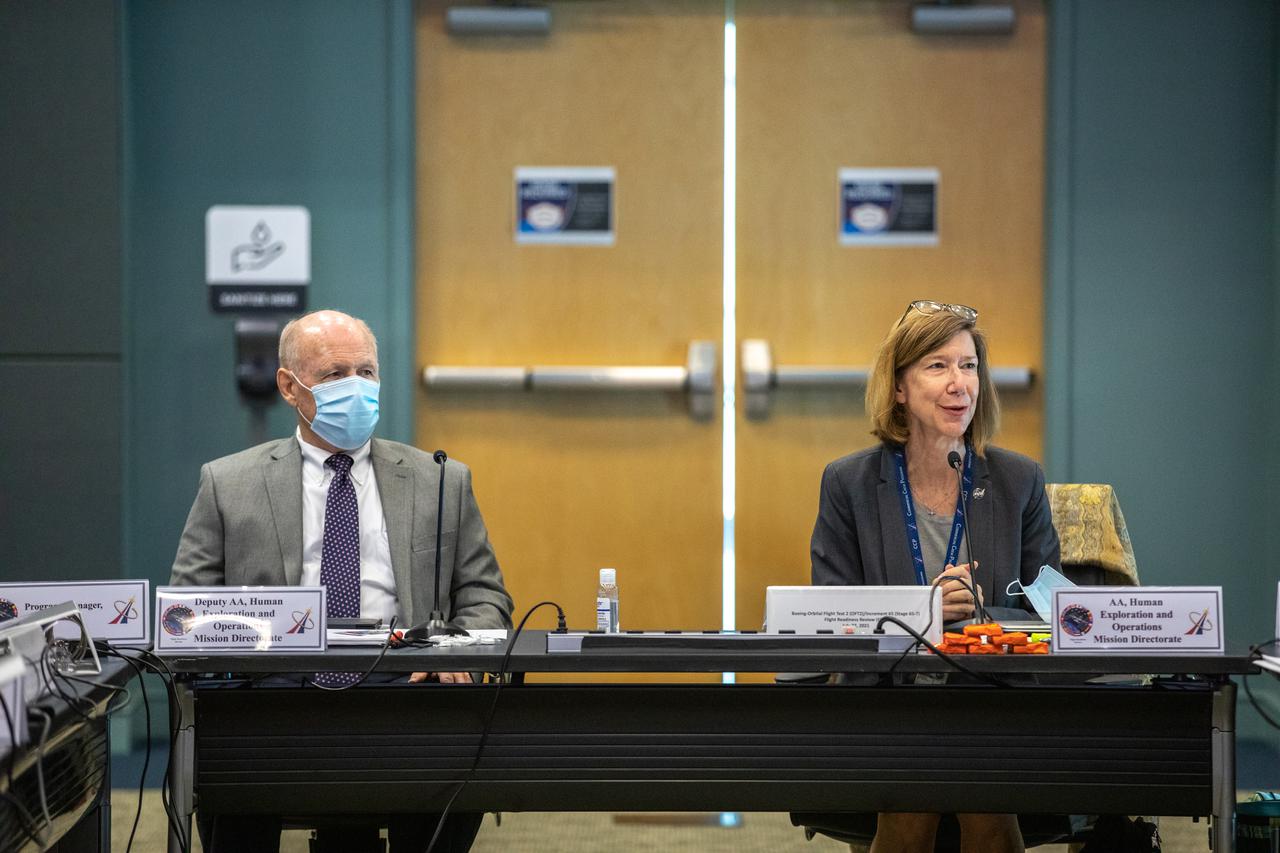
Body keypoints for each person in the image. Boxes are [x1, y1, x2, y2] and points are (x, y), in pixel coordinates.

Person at [171, 309, 513, 853]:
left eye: (366, 373)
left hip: (406, 681)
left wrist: (457, 653)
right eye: (334, 375)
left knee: (452, 763)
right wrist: (244, 645)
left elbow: (483, 594)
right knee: (230, 774)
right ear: (290, 386)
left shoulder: (439, 479)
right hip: (273, 687)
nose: (355, 388)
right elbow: (186, 609)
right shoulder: (228, 483)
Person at [809, 300, 1060, 853]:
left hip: (992, 693)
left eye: (969, 366)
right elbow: (831, 609)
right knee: (909, 807)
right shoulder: (849, 482)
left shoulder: (1019, 480)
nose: (959, 385)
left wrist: (985, 614)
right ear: (898, 387)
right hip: (888, 696)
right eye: (937, 366)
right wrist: (922, 613)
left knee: (986, 807)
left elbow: (1055, 614)